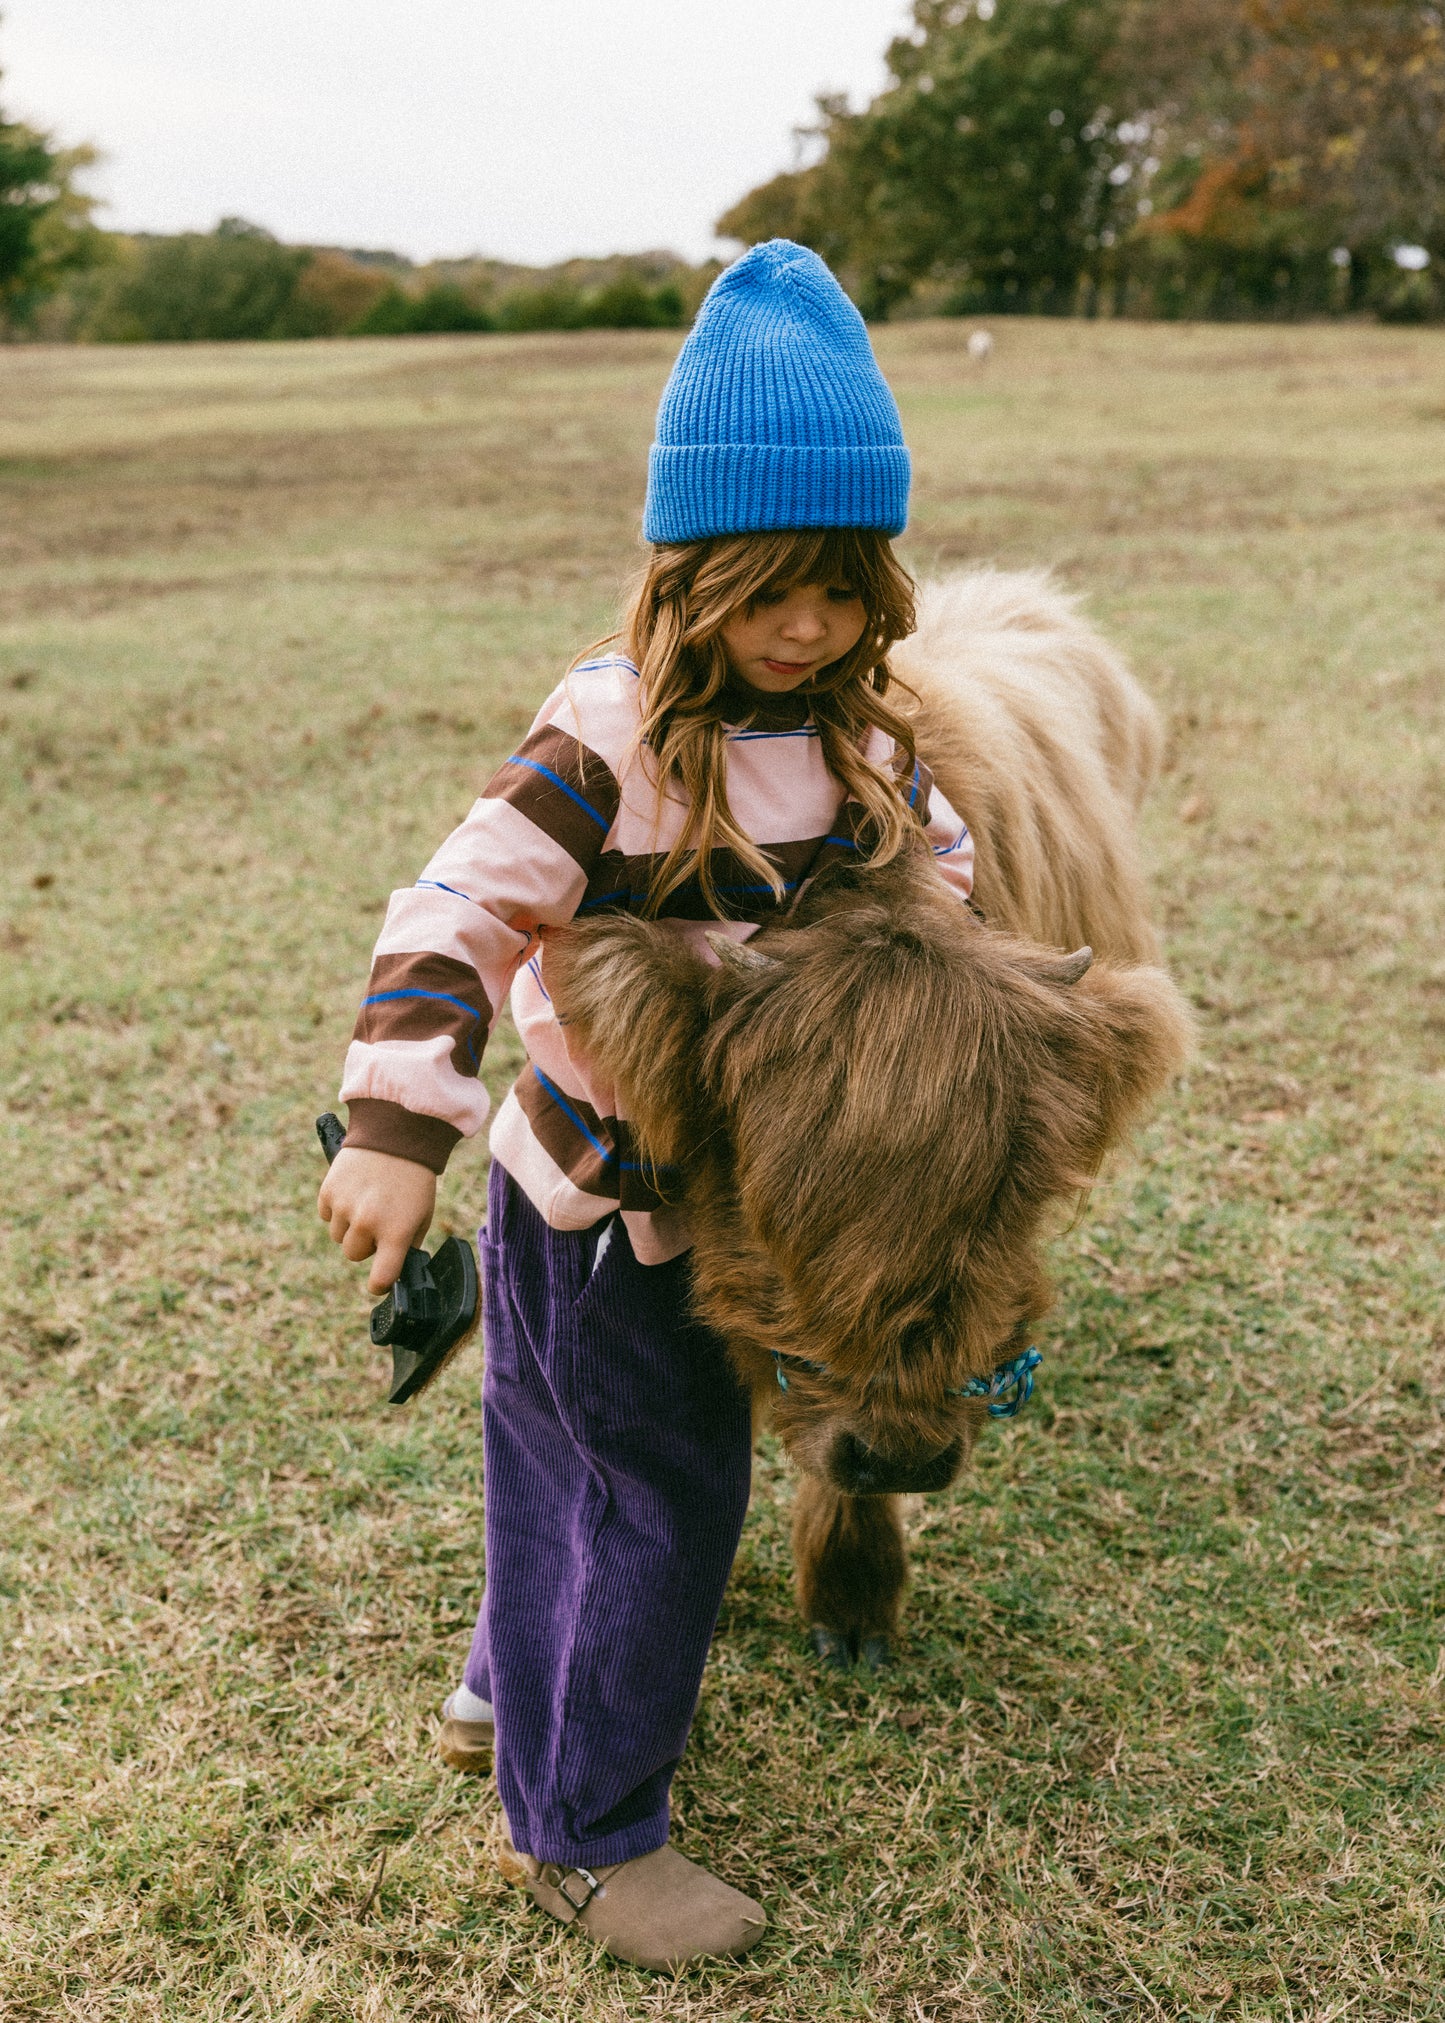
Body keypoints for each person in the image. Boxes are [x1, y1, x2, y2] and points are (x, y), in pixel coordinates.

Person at [317, 239, 975, 1972]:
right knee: (650, 1496)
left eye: (841, 585)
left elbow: (946, 895)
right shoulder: (610, 734)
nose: (809, 624)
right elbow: (453, 908)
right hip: (601, 1201)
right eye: (769, 588)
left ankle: (496, 1694)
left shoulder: (867, 747)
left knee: (567, 1467)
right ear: (687, 568)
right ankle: (588, 1833)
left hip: (758, 1211)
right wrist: (397, 1126)